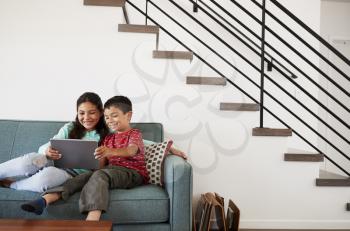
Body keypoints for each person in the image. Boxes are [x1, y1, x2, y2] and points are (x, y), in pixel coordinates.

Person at [22, 95, 149, 221]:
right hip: (110, 171)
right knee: (81, 178)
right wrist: (97, 158)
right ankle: (44, 200)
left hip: (132, 173)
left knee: (100, 176)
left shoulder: (134, 134)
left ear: (128, 116)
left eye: (114, 115)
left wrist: (111, 151)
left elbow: (132, 150)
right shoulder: (108, 138)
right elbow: (100, 166)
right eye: (106, 117)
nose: (110, 120)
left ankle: (93, 218)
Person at [0, 92, 109, 193]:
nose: (86, 118)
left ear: (101, 112)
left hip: (70, 174)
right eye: (81, 113)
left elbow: (103, 166)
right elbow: (46, 146)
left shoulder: (108, 134)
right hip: (52, 162)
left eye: (92, 113)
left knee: (44, 180)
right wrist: (47, 150)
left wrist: (100, 161)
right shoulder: (70, 127)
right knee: (28, 161)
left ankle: (12, 184)